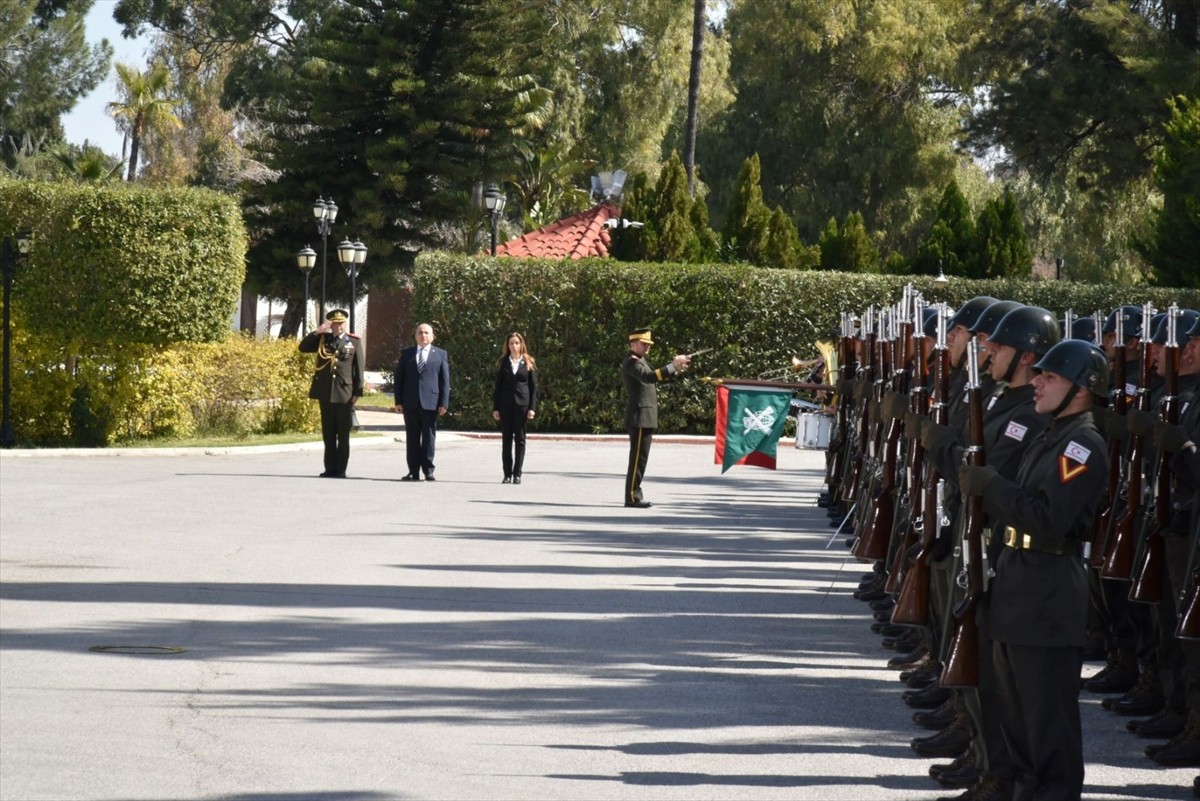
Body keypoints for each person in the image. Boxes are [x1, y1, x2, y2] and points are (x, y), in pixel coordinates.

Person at [959, 338, 1110, 801]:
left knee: (1049, 735)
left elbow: (1048, 517)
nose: (1038, 382)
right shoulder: (1051, 435)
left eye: (1050, 377)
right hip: (1018, 588)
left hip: (1046, 596)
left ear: (1081, 389)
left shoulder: (1082, 446)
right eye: (1039, 374)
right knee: (1017, 727)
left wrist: (993, 487)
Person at [623, 327, 690, 508]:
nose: (648, 347)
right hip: (639, 416)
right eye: (644, 344)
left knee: (641, 459)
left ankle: (634, 495)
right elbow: (649, 377)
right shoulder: (632, 362)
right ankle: (632, 497)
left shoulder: (641, 361)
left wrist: (675, 369)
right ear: (633, 344)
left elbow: (657, 377)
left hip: (645, 416)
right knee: (637, 460)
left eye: (648, 344)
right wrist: (672, 365)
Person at [298, 309, 364, 478]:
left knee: (342, 434)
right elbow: (303, 347)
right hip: (325, 392)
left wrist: (357, 392)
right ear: (331, 325)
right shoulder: (323, 339)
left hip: (344, 393)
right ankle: (329, 469)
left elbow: (359, 370)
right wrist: (317, 331)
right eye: (335, 323)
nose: (338, 327)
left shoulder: (354, 342)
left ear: (345, 324)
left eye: (341, 323)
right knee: (328, 433)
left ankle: (341, 469)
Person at [393, 322, 450, 481]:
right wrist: (398, 401)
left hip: (431, 403)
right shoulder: (407, 354)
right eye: (420, 332)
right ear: (415, 336)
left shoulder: (440, 354)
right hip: (410, 402)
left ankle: (428, 469)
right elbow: (399, 379)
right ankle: (413, 471)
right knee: (412, 438)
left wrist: (443, 403)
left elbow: (444, 381)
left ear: (432, 336)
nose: (423, 335)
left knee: (429, 438)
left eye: (426, 333)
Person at [492, 332, 538, 484]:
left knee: (520, 439)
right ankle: (507, 474)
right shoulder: (503, 362)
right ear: (507, 345)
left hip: (522, 406)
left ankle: (517, 473)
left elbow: (533, 388)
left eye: (516, 343)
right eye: (511, 343)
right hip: (505, 405)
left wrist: (532, 408)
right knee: (506, 440)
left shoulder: (528, 362)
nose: (514, 346)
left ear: (521, 344)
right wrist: (496, 408)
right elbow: (498, 387)